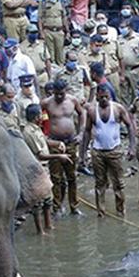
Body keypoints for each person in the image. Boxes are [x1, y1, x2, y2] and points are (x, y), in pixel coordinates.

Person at [82, 85, 135, 217]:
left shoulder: (118, 108)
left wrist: (132, 147)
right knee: (100, 183)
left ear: (110, 96)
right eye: (101, 97)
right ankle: (101, 212)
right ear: (97, 96)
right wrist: (82, 154)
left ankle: (121, 212)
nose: (104, 99)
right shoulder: (92, 110)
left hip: (115, 150)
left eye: (107, 96)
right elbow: (87, 131)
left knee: (118, 183)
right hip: (98, 151)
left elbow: (130, 126)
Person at [22, 104, 73, 235]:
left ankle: (48, 225)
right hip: (36, 169)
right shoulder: (28, 132)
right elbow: (40, 155)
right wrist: (58, 156)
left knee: (48, 199)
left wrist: (57, 144)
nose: (42, 116)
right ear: (35, 117)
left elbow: (44, 141)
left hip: (44, 169)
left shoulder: (36, 129)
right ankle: (40, 231)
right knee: (38, 201)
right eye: (40, 114)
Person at [42, 79, 86, 216]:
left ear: (66, 91)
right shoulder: (47, 103)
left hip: (71, 142)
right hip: (55, 143)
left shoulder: (72, 100)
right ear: (53, 92)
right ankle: (57, 207)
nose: (60, 97)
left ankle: (74, 207)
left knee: (71, 176)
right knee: (56, 177)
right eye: (57, 94)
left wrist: (81, 133)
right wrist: (43, 138)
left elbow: (82, 113)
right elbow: (36, 118)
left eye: (62, 94)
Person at [117, 19, 139, 104]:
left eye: (123, 27)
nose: (121, 29)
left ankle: (136, 112)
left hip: (135, 70)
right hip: (123, 70)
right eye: (120, 27)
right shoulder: (119, 38)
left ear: (129, 28)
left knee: (136, 92)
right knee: (123, 94)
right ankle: (125, 112)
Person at [40, 0, 67, 66]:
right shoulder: (43, 2)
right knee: (50, 54)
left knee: (60, 54)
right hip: (48, 30)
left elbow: (64, 17)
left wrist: (67, 31)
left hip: (59, 31)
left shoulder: (61, 1)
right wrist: (41, 32)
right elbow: (40, 18)